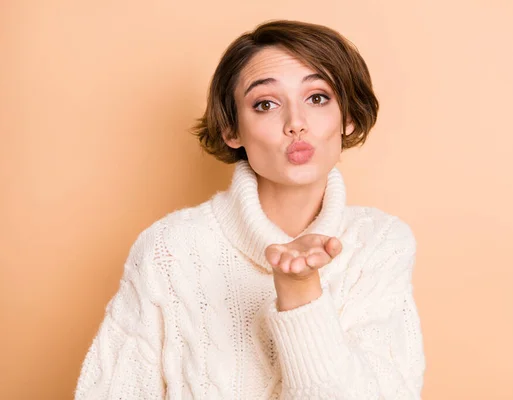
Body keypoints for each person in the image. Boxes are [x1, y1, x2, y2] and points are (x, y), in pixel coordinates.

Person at [75, 20, 425, 399]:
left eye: (318, 98)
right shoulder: (168, 248)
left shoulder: (380, 243)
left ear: (348, 117)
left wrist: (301, 293)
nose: (296, 124)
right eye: (265, 104)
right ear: (232, 131)